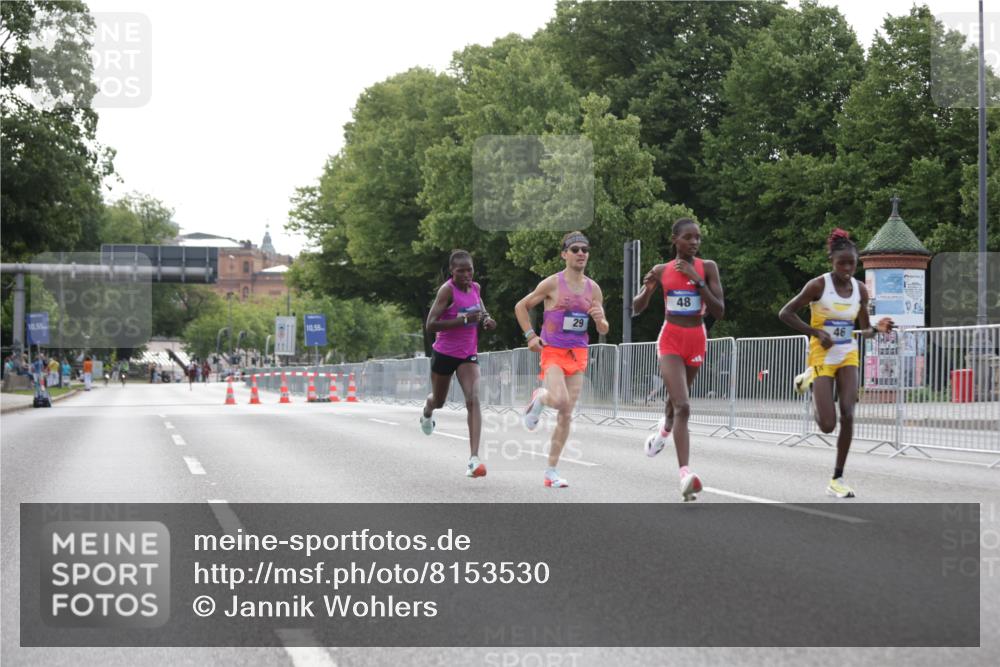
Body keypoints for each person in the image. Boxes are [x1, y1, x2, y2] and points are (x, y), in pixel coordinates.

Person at [779, 228, 894, 499]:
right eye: (841, 263)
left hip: (847, 355)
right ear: (831, 261)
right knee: (827, 425)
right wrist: (817, 332)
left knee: (849, 412)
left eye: (851, 263)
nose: (846, 268)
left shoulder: (860, 290)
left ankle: (837, 478)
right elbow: (785, 313)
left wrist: (878, 328)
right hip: (821, 354)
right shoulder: (818, 286)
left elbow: (863, 329)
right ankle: (808, 381)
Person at [632, 218, 725, 501]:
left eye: (698, 238)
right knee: (683, 404)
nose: (694, 243)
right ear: (675, 240)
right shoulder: (661, 271)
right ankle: (685, 473)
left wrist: (698, 283)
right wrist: (648, 289)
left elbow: (719, 311)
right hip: (670, 339)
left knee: (675, 403)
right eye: (688, 237)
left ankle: (663, 432)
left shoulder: (707, 268)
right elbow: (636, 308)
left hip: (696, 338)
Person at [514, 231, 610, 489]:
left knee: (566, 413)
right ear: (564, 254)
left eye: (585, 249)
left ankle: (551, 471)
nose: (581, 253)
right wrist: (530, 336)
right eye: (575, 249)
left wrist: (600, 319)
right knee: (559, 400)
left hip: (578, 352)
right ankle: (540, 398)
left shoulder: (594, 289)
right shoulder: (552, 284)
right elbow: (521, 306)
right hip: (553, 350)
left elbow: (603, 329)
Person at [420, 250, 497, 478]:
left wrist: (486, 320)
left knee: (473, 400)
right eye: (460, 271)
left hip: (468, 354)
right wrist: (463, 320)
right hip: (444, 354)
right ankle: (427, 410)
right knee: (439, 401)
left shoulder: (476, 288)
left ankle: (474, 460)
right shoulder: (447, 291)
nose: (466, 274)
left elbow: (481, 311)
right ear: (451, 272)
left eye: (469, 270)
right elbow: (431, 325)